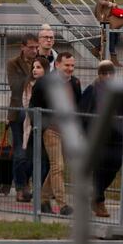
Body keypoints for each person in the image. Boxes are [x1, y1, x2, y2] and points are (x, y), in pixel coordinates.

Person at [78, 60, 123, 218]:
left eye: (110, 73)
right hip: (97, 136)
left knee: (115, 165)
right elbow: (82, 113)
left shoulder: (120, 92)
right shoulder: (92, 90)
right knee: (99, 168)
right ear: (99, 75)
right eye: (104, 74)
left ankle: (96, 193)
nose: (108, 77)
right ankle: (99, 201)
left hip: (116, 135)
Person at [29, 52, 81, 216]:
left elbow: (77, 107)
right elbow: (33, 107)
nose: (70, 69)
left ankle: (43, 199)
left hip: (68, 130)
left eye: (72, 65)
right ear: (57, 65)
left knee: (56, 169)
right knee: (58, 166)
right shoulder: (44, 83)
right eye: (67, 65)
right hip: (51, 130)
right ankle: (62, 204)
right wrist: (39, 127)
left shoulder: (75, 83)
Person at [6, 33, 38, 202]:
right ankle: (20, 186)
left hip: (35, 113)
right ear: (23, 47)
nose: (34, 50)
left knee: (33, 152)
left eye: (36, 47)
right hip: (18, 114)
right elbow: (15, 86)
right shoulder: (13, 64)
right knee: (20, 152)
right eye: (31, 47)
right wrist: (33, 75)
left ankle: (26, 182)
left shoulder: (40, 62)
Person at [23, 56, 50, 189]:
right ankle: (26, 185)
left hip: (46, 128)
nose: (35, 70)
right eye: (33, 67)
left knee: (44, 161)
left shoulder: (50, 85)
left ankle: (40, 190)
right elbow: (27, 106)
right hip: (31, 126)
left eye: (38, 67)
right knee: (29, 159)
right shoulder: (29, 85)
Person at [94, 0, 122, 67]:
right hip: (105, 17)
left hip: (110, 15)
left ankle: (96, 50)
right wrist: (111, 4)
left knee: (111, 35)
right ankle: (113, 58)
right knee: (112, 35)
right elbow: (101, 1)